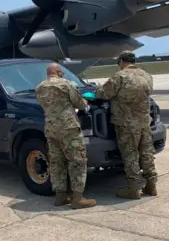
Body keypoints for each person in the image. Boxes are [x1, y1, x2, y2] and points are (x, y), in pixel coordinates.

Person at [94, 50, 158, 199]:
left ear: (121, 62)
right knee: (147, 153)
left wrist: (97, 88)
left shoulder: (119, 77)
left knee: (130, 155)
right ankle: (151, 185)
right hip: (144, 121)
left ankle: (134, 189)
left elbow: (104, 94)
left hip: (126, 123)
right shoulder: (146, 76)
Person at [35, 62, 96, 209]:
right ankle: (78, 198)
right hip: (68, 128)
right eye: (60, 71)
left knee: (56, 162)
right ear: (58, 72)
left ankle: (60, 196)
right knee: (77, 161)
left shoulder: (39, 87)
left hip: (51, 129)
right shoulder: (66, 84)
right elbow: (79, 103)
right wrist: (86, 103)